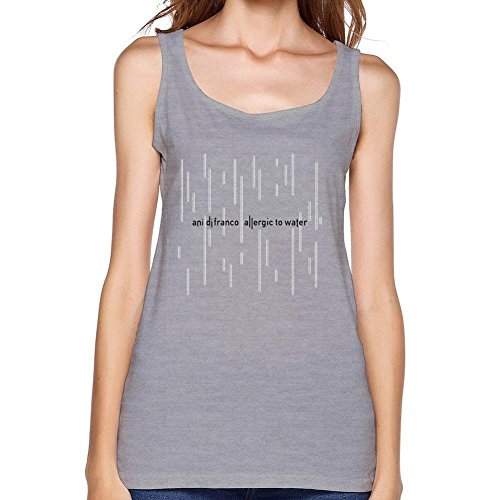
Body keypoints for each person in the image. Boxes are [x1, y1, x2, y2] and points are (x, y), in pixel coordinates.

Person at [85, 0, 405, 498]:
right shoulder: (149, 69)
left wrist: (389, 471)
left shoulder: (367, 84)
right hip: (169, 451)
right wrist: (98, 464)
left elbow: (377, 295)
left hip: (327, 453)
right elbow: (126, 277)